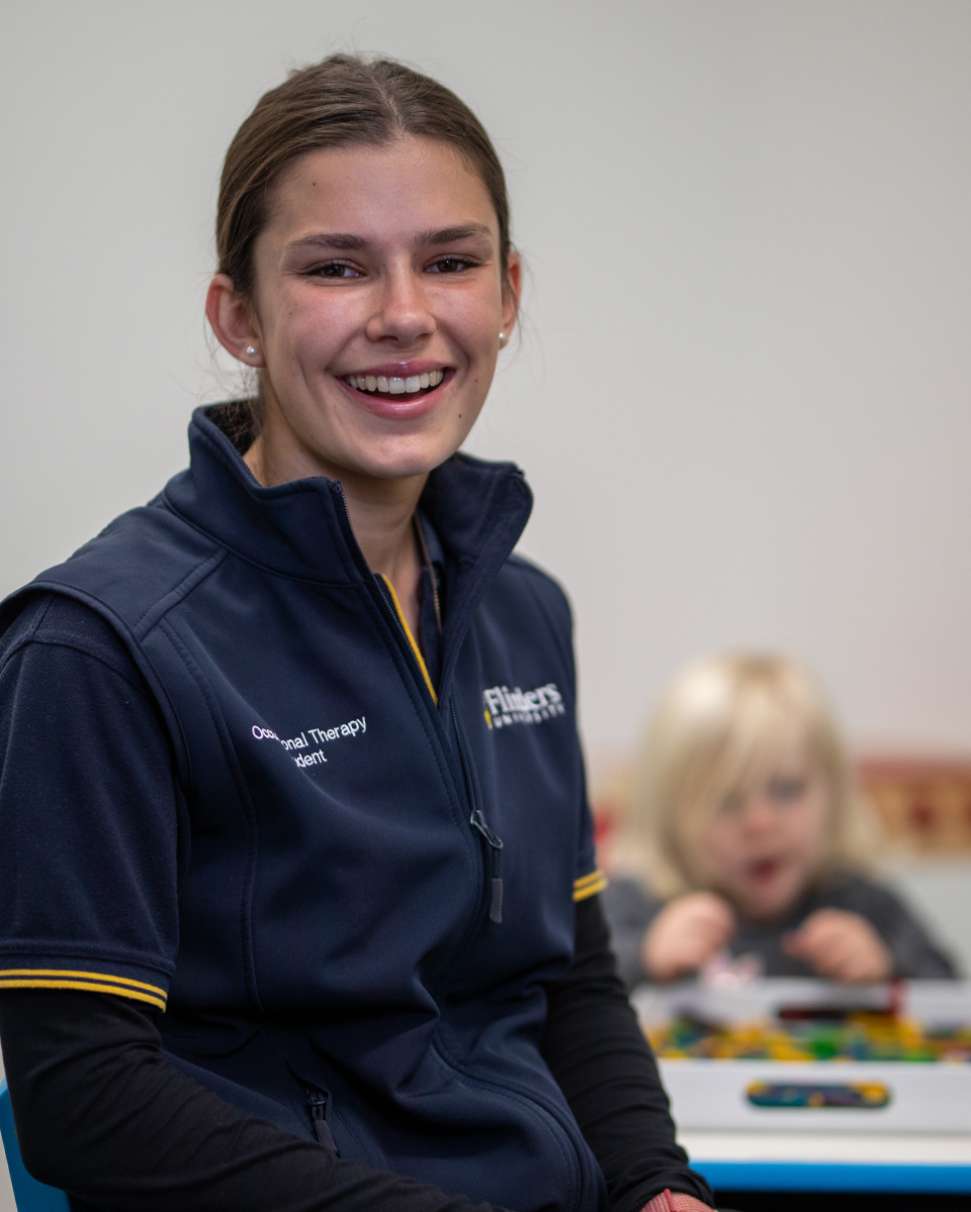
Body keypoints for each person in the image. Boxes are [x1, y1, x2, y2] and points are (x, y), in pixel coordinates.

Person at [0, 55, 718, 1212]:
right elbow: (82, 1096)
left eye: (450, 261)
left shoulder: (522, 614)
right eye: (336, 267)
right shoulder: (97, 647)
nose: (403, 316)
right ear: (238, 314)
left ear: (509, 292)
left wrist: (653, 1185)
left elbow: (568, 981)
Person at [603, 652, 959, 989]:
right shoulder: (639, 905)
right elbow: (571, 1005)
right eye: (726, 801)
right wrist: (643, 959)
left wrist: (887, 972)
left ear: (833, 794)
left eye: (787, 790)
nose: (760, 823)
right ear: (668, 815)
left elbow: (949, 997)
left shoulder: (864, 906)